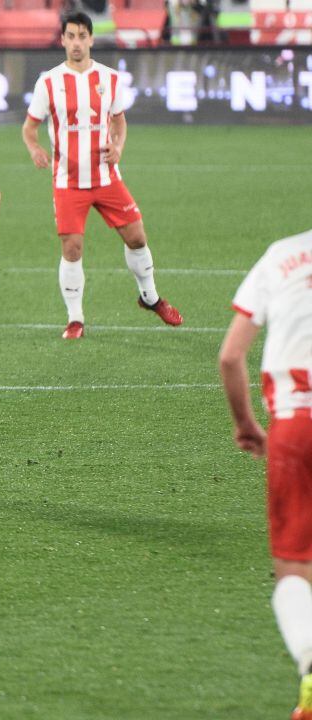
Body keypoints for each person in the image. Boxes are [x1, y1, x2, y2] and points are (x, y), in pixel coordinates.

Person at [21, 12, 183, 340]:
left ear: (91, 39)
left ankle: (150, 298)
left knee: (137, 237)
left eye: (83, 36)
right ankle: (75, 318)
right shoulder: (48, 82)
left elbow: (120, 122)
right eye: (71, 36)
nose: (77, 42)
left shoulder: (109, 79)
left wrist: (119, 147)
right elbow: (29, 128)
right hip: (68, 181)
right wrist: (35, 149)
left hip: (107, 177)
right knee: (72, 249)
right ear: (63, 40)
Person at [219, 228, 312, 720]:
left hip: (294, 430)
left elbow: (231, 355)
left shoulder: (284, 255)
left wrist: (246, 425)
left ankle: (309, 663)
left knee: (294, 569)